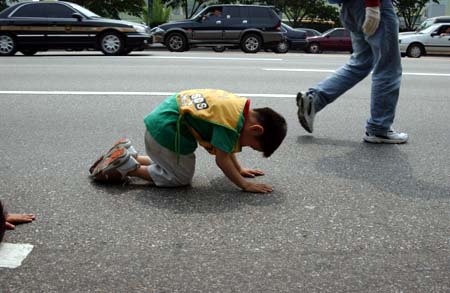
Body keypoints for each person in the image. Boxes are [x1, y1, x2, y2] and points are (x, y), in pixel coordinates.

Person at [90, 89, 287, 193]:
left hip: (161, 124)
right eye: (249, 145)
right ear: (256, 129)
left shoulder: (236, 110)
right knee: (179, 178)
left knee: (171, 163)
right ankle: (128, 166)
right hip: (168, 132)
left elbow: (227, 147)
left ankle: (129, 153)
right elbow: (222, 159)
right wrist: (244, 184)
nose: (243, 146)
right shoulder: (230, 124)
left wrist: (240, 169)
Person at [296, 0, 408, 144]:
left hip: (351, 7)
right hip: (373, 6)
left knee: (360, 63)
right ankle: (379, 128)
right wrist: (372, 5)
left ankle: (314, 100)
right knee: (388, 68)